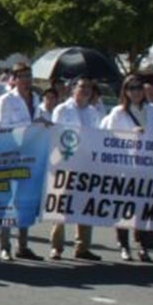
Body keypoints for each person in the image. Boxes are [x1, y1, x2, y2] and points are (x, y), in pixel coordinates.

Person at [101, 76, 153, 261]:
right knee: (124, 207)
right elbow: (109, 138)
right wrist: (130, 135)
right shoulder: (118, 113)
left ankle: (143, 245)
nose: (136, 92)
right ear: (125, 91)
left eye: (138, 88)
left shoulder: (152, 110)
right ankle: (123, 244)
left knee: (144, 208)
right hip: (126, 166)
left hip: (147, 166)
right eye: (131, 88)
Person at [0, 64, 48, 261]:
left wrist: (45, 123)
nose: (27, 80)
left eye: (29, 76)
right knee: (8, 201)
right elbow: (2, 126)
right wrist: (31, 125)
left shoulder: (35, 98)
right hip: (11, 155)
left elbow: (39, 119)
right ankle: (4, 246)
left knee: (26, 200)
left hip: (31, 156)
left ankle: (22, 245)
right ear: (14, 79)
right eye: (23, 76)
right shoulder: (6, 100)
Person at [49, 78, 104, 261]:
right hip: (66, 162)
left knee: (85, 206)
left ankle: (82, 247)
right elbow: (55, 135)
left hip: (87, 163)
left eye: (89, 87)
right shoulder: (62, 109)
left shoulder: (93, 112)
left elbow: (98, 137)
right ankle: (57, 247)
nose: (86, 90)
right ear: (74, 89)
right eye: (82, 86)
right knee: (62, 206)